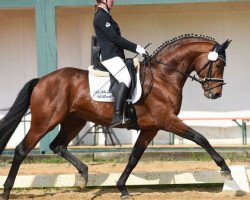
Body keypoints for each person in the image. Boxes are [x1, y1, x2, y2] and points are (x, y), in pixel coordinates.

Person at [93, 0, 147, 127]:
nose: (114, 1)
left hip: (116, 55)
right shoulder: (100, 17)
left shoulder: (106, 16)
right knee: (125, 78)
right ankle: (117, 116)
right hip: (109, 56)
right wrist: (136, 48)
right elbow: (115, 39)